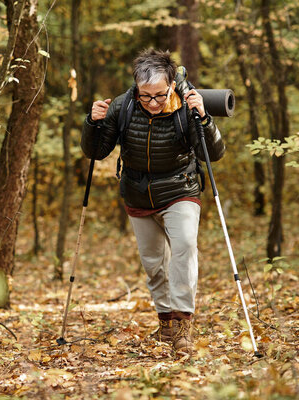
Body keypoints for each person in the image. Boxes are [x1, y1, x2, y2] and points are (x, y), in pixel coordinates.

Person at [81, 49, 225, 354]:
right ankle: (165, 324)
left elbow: (213, 154)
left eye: (159, 95)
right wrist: (92, 123)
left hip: (179, 190)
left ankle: (183, 324)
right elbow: (96, 152)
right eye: (145, 96)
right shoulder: (123, 106)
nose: (153, 103)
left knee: (185, 245)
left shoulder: (187, 106)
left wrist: (204, 118)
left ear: (171, 85)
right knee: (154, 265)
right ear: (136, 88)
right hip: (137, 193)